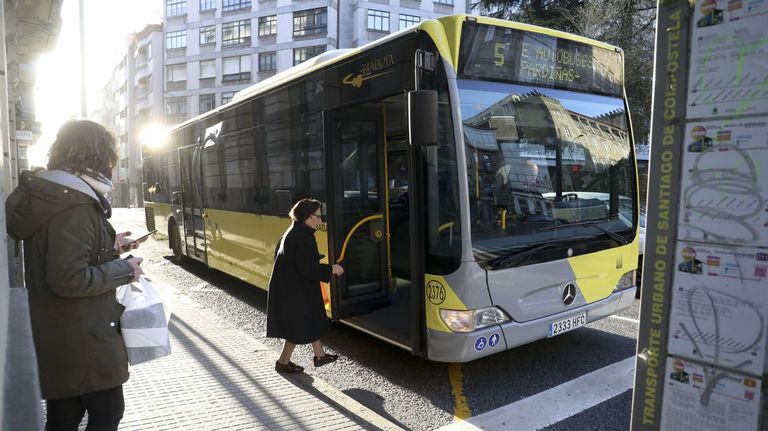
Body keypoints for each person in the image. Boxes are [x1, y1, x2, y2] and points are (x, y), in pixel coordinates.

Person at [5, 119, 145, 431]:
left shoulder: (56, 195)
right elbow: (68, 277)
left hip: (61, 336)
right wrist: (125, 269)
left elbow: (61, 253)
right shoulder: (73, 203)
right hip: (85, 338)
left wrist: (110, 245)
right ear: (96, 156)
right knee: (107, 414)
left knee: (64, 419)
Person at [266, 198, 344, 374]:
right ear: (307, 217)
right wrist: (332, 268)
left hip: (293, 288)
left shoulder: (295, 231)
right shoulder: (302, 237)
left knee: (307, 321)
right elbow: (308, 269)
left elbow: (299, 261)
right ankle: (285, 362)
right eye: (318, 216)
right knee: (301, 324)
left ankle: (318, 355)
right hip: (295, 290)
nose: (320, 220)